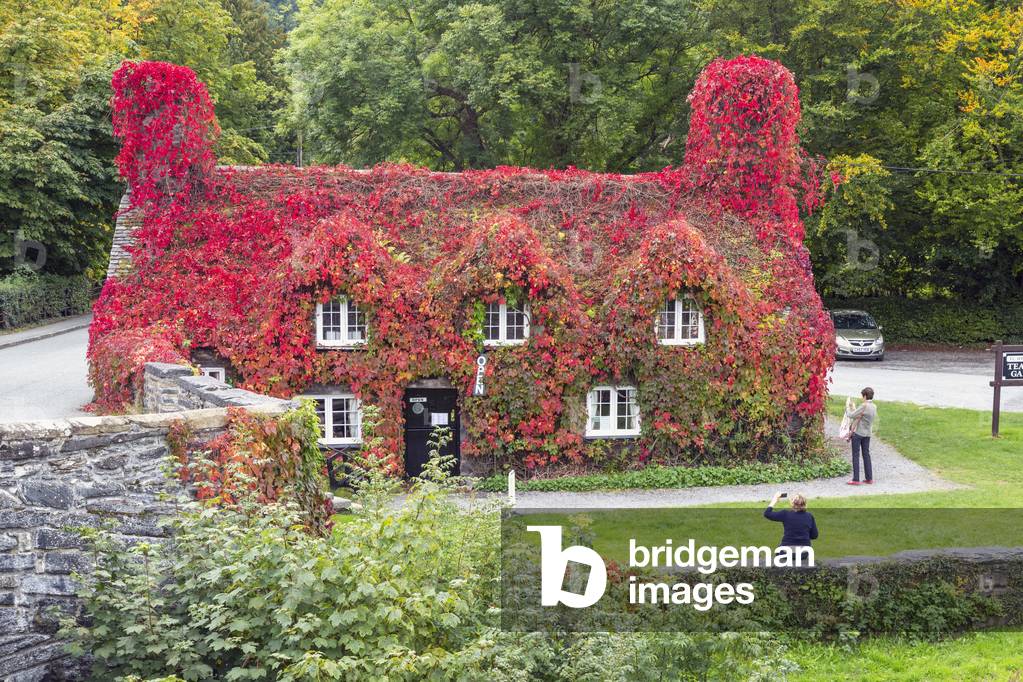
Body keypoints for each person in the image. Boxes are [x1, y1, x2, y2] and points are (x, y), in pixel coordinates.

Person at [844, 387, 877, 485]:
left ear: (865, 396)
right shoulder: (874, 407)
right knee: (866, 455)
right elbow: (861, 415)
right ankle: (869, 478)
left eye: (862, 396)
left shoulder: (864, 405)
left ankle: (856, 479)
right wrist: (855, 408)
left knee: (856, 455)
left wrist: (847, 407)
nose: (862, 398)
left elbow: (851, 415)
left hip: (858, 433)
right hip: (867, 434)